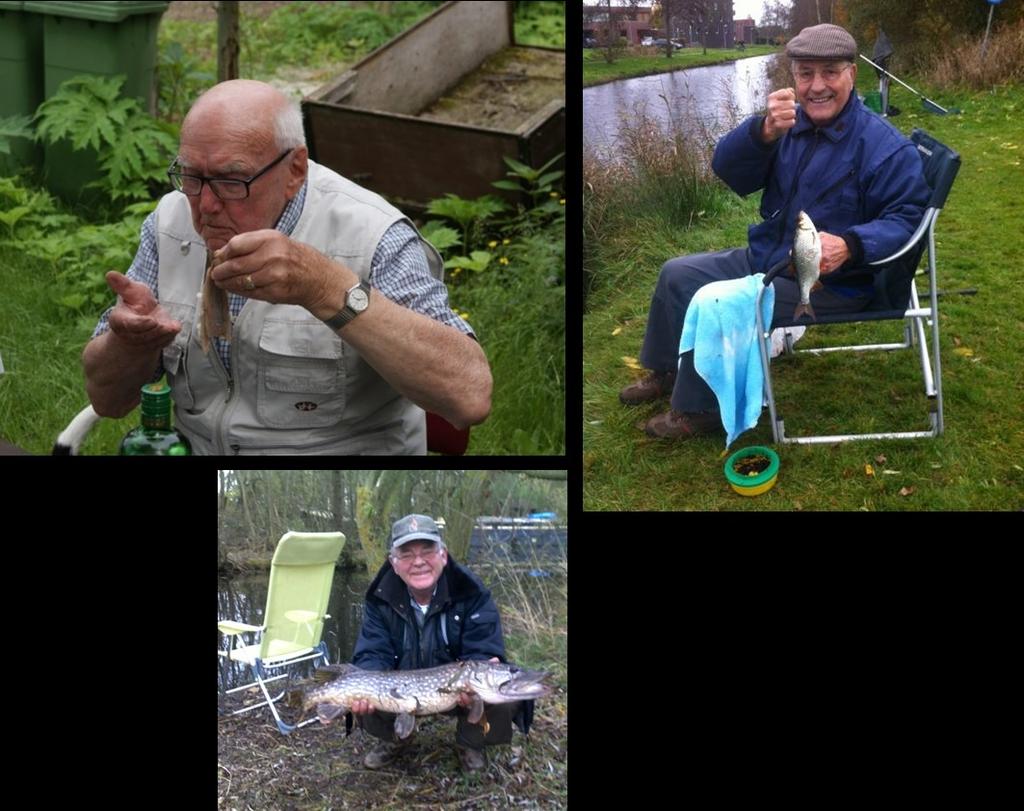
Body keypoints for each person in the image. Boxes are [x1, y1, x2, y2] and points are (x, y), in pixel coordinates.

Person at [82, 80, 491, 454]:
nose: (205, 205)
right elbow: (107, 399)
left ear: (294, 169)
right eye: (191, 177)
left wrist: (326, 289)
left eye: (231, 180)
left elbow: (468, 396)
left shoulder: (371, 234)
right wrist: (130, 342)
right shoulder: (169, 224)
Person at [619, 23, 931, 439]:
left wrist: (853, 245)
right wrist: (762, 133)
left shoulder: (884, 146)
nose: (816, 86)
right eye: (805, 73)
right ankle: (667, 370)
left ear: (852, 75)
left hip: (833, 284)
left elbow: (908, 218)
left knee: (717, 301)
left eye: (830, 72)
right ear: (794, 78)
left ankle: (701, 409)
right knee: (676, 273)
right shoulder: (788, 125)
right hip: (771, 256)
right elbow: (727, 170)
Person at [349, 513, 532, 772]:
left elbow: (483, 649)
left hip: (455, 691)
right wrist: (365, 679)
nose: (419, 562)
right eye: (407, 554)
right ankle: (396, 739)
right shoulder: (379, 599)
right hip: (399, 692)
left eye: (428, 551)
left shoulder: (472, 592)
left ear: (443, 555)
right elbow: (372, 652)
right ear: (393, 562)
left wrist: (485, 665)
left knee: (503, 687)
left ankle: (471, 741)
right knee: (360, 688)